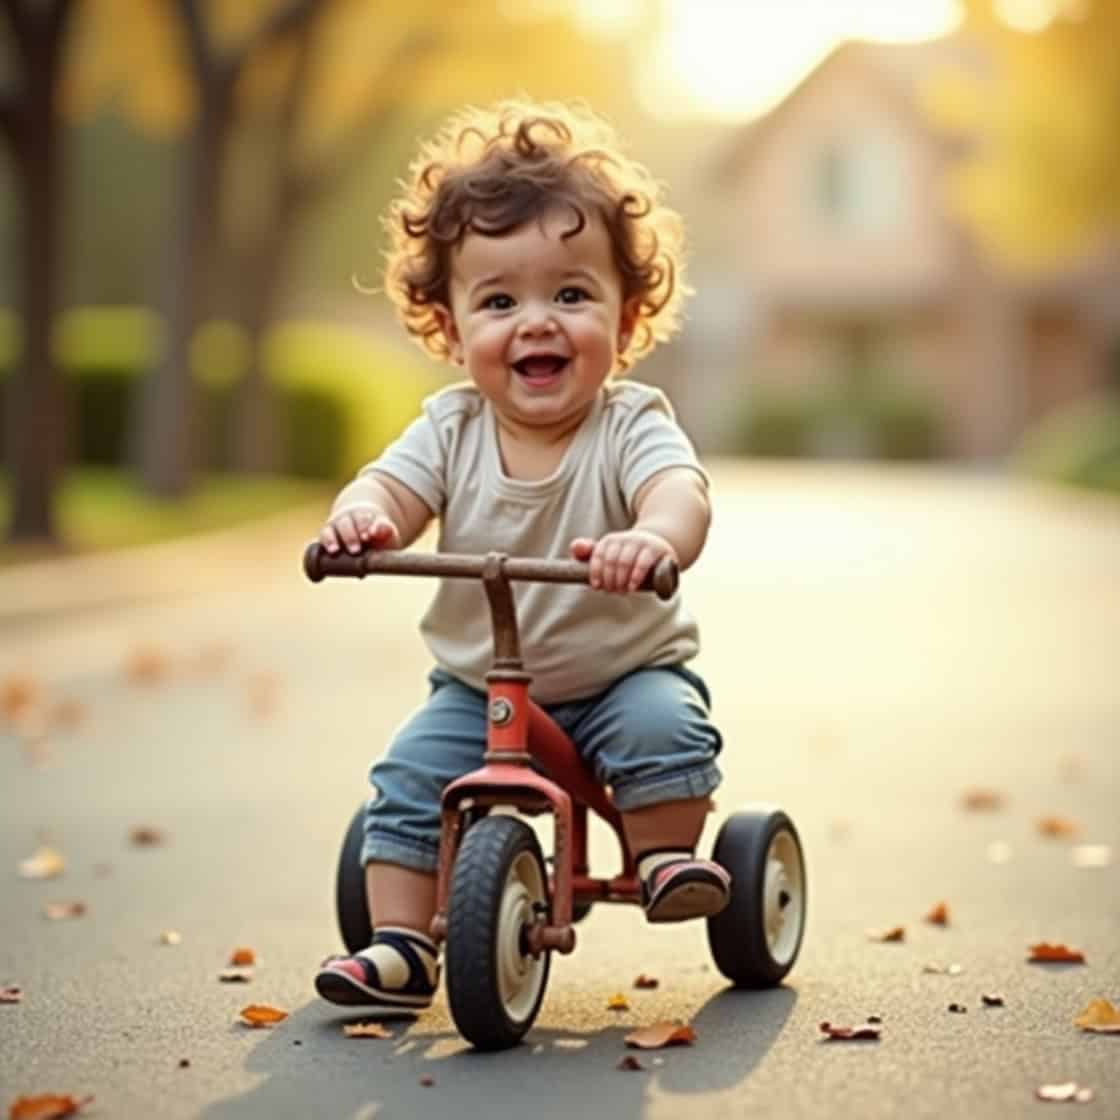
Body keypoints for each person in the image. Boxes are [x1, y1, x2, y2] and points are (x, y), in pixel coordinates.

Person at [314, 100, 726, 1014]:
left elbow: (679, 494)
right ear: (452, 332)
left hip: (621, 670)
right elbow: (389, 489)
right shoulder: (448, 428)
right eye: (499, 301)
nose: (536, 321)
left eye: (571, 295)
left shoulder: (631, 424)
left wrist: (651, 539)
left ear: (626, 323)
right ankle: (398, 946)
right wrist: (362, 523)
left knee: (665, 732)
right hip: (480, 687)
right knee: (410, 778)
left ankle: (663, 858)